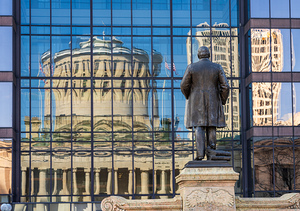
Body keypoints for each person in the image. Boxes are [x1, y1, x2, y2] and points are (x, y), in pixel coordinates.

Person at [180, 46, 229, 160]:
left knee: (199, 127)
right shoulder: (217, 67)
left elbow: (183, 85)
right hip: (213, 101)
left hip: (196, 102)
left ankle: (200, 155)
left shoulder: (192, 67)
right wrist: (222, 100)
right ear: (209, 55)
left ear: (198, 55)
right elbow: (225, 86)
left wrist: (189, 96)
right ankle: (212, 153)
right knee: (212, 127)